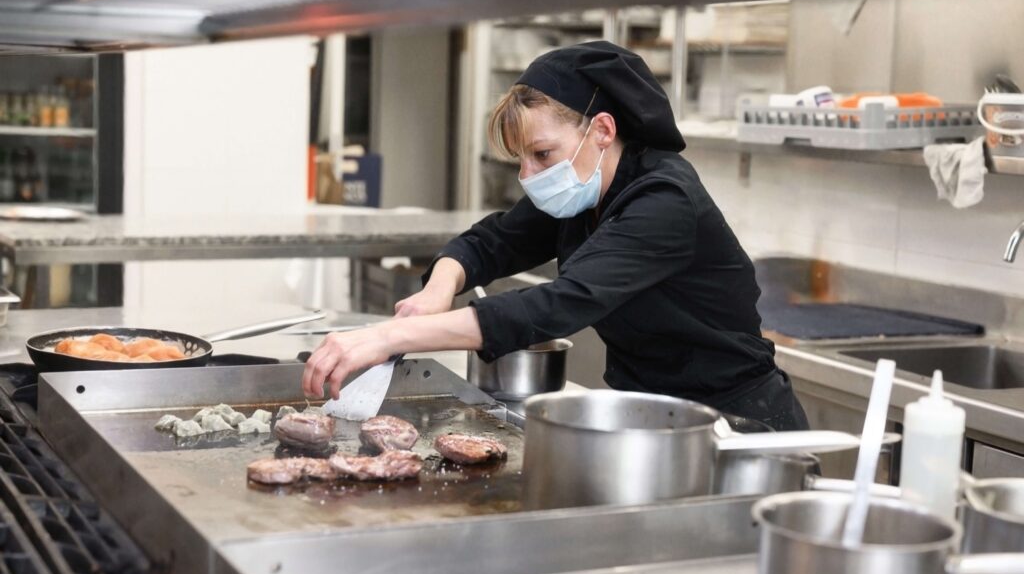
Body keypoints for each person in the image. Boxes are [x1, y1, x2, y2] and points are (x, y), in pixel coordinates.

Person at [302, 41, 809, 431]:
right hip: (652, 415)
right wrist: (437, 291)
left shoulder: (664, 200)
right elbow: (491, 241)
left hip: (737, 421)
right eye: (521, 158)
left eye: (541, 154)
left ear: (602, 131)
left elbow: (560, 305)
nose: (529, 174)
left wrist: (387, 336)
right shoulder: (584, 191)